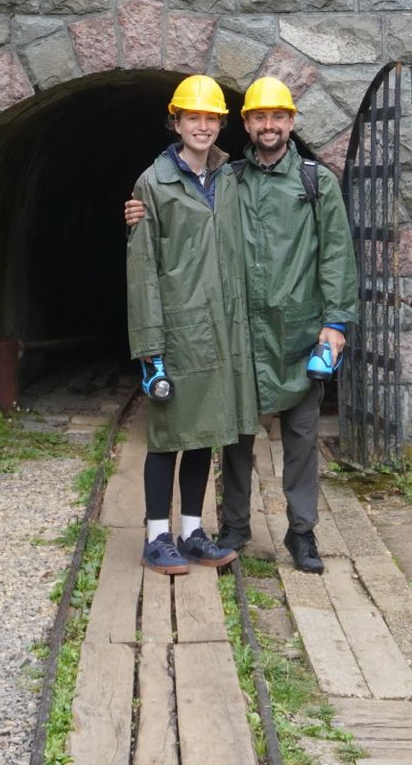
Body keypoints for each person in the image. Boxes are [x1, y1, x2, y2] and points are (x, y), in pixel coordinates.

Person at [125, 76, 358, 573]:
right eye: (260, 117)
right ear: (248, 124)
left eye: (278, 116)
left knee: (300, 437)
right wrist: (139, 214)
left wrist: (335, 323)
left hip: (298, 332)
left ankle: (302, 533)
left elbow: (337, 254)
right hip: (238, 333)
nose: (269, 125)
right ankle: (231, 526)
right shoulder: (230, 177)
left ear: (292, 121)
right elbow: (180, 223)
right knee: (231, 433)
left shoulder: (315, 182)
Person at [125, 74, 259, 575]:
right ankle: (156, 538)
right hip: (177, 329)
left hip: (221, 329)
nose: (202, 126)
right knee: (165, 433)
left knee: (206, 431)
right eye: (192, 117)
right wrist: (149, 347)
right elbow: (141, 273)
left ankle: (192, 531)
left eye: (210, 118)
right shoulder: (151, 184)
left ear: (221, 123)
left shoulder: (231, 177)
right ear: (176, 121)